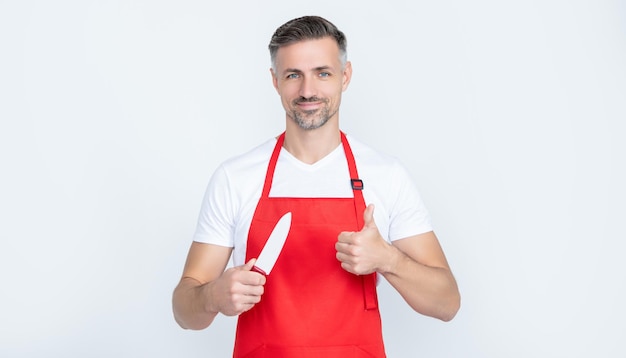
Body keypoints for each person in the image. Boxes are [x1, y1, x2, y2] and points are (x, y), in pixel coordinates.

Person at [172, 15, 460, 357]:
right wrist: (213, 296)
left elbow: (447, 303)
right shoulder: (236, 178)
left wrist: (388, 259)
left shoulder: (386, 175)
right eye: (294, 75)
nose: (308, 91)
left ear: (345, 76)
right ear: (275, 81)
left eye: (322, 73)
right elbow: (183, 310)